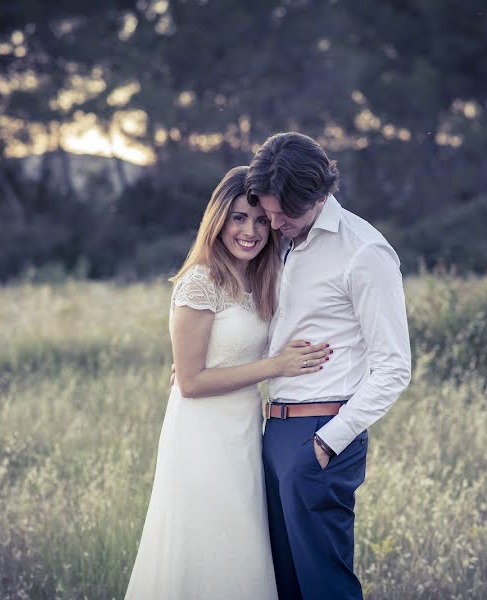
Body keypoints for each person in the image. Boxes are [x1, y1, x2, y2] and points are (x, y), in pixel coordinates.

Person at [124, 166, 332, 600]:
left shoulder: (258, 278)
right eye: (239, 217)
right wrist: (275, 366)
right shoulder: (200, 282)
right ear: (218, 219)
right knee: (208, 544)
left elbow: (220, 356)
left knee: (242, 545)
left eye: (260, 220)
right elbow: (191, 382)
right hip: (202, 434)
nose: (251, 231)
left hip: (242, 433)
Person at [247, 132, 412, 600]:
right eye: (269, 211)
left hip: (321, 433)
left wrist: (326, 443)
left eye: (285, 214)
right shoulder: (279, 241)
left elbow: (394, 367)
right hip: (273, 432)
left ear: (321, 195)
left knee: (325, 588)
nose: (274, 224)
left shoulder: (364, 252)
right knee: (285, 585)